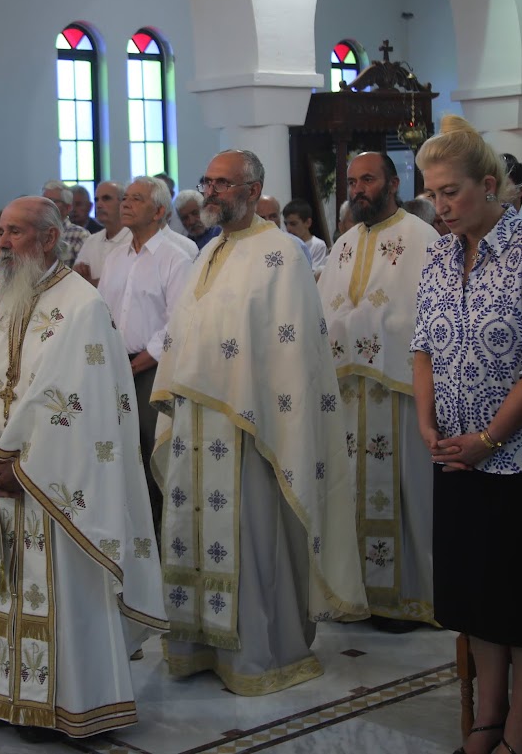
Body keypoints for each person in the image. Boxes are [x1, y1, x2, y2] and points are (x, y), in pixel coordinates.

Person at [151, 150, 367, 696]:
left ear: (252, 190)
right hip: (198, 422)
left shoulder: (281, 253)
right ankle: (200, 644)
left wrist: (263, 408)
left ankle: (260, 650)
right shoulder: (208, 251)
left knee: (249, 535)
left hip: (251, 425)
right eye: (207, 182)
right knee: (192, 533)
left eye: (222, 183)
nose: (211, 192)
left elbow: (291, 348)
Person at [0, 196, 166, 740]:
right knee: (13, 588)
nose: (2, 243)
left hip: (57, 481)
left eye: (14, 232)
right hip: (7, 475)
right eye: (0, 232)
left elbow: (77, 402)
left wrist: (18, 463)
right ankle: (15, 698)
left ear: (49, 238)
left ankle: (69, 705)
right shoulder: (9, 299)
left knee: (63, 592)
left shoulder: (83, 305)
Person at [412, 116, 522, 754]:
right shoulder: (439, 254)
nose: (440, 206)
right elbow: (423, 344)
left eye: (450, 191)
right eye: (432, 193)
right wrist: (428, 424)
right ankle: (489, 714)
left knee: (519, 587)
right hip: (456, 448)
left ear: (488, 185)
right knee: (473, 588)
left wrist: (489, 438)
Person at [319, 152, 440, 631]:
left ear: (392, 183)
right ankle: (357, 593)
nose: (357, 189)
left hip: (398, 393)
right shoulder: (344, 244)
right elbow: (325, 308)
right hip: (349, 394)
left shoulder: (422, 238)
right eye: (352, 181)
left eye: (367, 179)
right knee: (348, 491)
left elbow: (426, 317)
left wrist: (372, 323)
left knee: (406, 491)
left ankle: (406, 597)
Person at [98, 175, 192, 531]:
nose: (125, 203)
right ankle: (132, 533)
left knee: (154, 453)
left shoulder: (176, 257)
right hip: (115, 367)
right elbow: (102, 312)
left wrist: (141, 361)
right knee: (121, 454)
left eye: (136, 198)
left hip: (154, 369)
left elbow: (179, 320)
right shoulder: (115, 257)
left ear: (158, 211)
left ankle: (164, 535)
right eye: (126, 197)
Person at [72, 180, 130, 286]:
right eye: (96, 199)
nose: (99, 205)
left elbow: (127, 285)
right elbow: (76, 278)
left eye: (106, 198)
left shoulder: (134, 239)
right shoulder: (92, 240)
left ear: (123, 203)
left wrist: (92, 283)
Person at [41, 180, 89, 266]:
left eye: (52, 201)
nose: (46, 206)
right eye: (44, 201)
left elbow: (82, 271)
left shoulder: (80, 235)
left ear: (68, 207)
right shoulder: (37, 232)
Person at [282, 199, 327, 274]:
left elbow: (314, 273)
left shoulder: (318, 245)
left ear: (308, 223)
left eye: (293, 224)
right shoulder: (285, 244)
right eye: (286, 224)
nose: (288, 228)